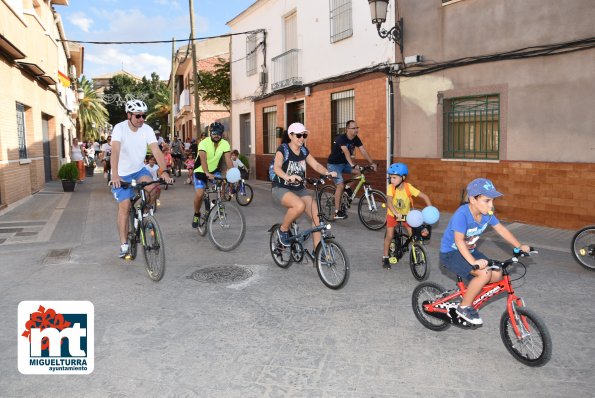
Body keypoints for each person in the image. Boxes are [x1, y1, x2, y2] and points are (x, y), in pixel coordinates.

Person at [440, 178, 530, 325]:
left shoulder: (487, 214)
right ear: (472, 200)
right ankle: (463, 307)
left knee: (497, 273)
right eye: (487, 200)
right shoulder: (462, 215)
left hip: (470, 251)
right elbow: (459, 241)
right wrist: (473, 262)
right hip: (451, 253)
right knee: (484, 273)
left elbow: (500, 229)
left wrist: (519, 245)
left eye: (492, 201)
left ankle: (471, 291)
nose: (491, 205)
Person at [110, 99, 173, 258]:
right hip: (122, 173)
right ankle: (124, 244)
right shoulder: (120, 128)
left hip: (138, 170)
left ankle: (144, 214)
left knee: (154, 188)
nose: (141, 119)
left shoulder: (147, 129)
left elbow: (157, 151)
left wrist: (163, 171)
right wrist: (115, 174)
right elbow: (115, 151)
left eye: (144, 116)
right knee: (124, 207)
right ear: (129, 115)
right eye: (138, 116)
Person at [272, 122, 337, 250]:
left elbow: (316, 165)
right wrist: (287, 177)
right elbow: (277, 168)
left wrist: (327, 172)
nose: (302, 138)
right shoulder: (283, 149)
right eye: (299, 135)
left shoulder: (303, 150)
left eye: (304, 135)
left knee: (317, 216)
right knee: (299, 206)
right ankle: (283, 229)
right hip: (281, 188)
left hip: (299, 189)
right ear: (290, 136)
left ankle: (318, 252)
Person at [382, 162, 432, 269]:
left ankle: (416, 251)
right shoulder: (390, 188)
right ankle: (385, 257)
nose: (392, 180)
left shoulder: (408, 187)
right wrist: (395, 213)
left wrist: (430, 208)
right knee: (390, 235)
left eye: (394, 178)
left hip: (406, 214)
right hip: (393, 214)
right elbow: (389, 201)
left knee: (413, 235)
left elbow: (424, 196)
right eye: (390, 178)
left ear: (403, 177)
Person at [327, 120, 377, 219]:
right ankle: (337, 212)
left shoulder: (356, 139)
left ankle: (348, 187)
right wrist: (352, 165)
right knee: (340, 185)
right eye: (353, 128)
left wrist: (372, 163)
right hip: (334, 165)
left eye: (357, 128)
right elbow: (346, 152)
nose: (356, 130)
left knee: (360, 173)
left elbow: (363, 150)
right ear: (347, 129)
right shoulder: (340, 138)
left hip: (344, 164)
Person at [191, 122, 233, 228]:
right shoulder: (203, 143)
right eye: (214, 133)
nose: (216, 135)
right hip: (200, 170)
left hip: (214, 170)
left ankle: (218, 204)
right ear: (210, 133)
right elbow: (203, 160)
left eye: (219, 133)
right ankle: (196, 213)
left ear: (222, 134)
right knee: (200, 194)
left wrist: (232, 173)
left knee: (222, 184)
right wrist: (206, 173)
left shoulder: (225, 143)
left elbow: (228, 159)